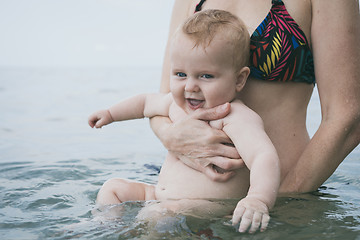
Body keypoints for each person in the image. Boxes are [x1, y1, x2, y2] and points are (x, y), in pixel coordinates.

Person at [88, 9, 280, 233]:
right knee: (113, 188)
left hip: (207, 206)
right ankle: (103, 228)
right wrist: (110, 114)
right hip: (158, 196)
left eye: (206, 76)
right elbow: (144, 103)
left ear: (239, 79)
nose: (190, 86)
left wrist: (257, 199)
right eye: (180, 74)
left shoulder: (234, 116)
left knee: (158, 213)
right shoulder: (175, 105)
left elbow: (263, 156)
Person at [149, 0, 360, 194]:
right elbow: (164, 100)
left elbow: (347, 116)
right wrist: (169, 136)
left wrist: (279, 200)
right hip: (189, 191)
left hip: (285, 195)